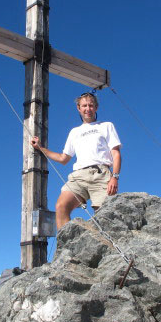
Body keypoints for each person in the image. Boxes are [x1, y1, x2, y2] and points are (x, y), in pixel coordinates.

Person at [31, 92, 122, 229]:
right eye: (84, 106)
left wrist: (115, 177)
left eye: (91, 105)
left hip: (101, 174)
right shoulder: (74, 132)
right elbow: (63, 158)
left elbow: (116, 154)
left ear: (96, 107)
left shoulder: (106, 126)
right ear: (79, 108)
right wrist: (40, 148)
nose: (88, 109)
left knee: (104, 216)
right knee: (61, 206)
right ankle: (66, 247)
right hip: (78, 176)